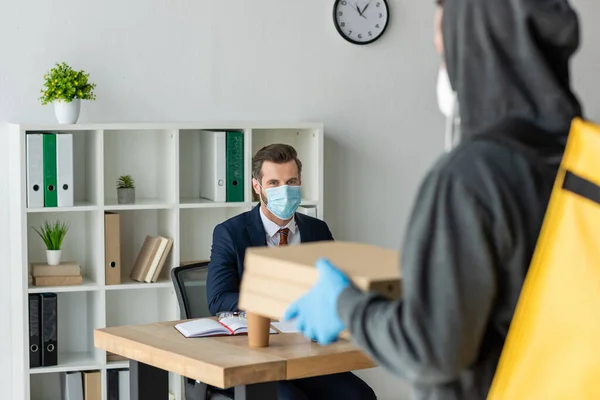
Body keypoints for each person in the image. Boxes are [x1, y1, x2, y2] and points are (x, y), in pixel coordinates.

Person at [284, 0, 583, 399]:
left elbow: (430, 349)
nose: (446, 71)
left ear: (477, 51)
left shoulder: (472, 177)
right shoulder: (585, 163)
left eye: (446, 52)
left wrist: (346, 305)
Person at [206, 143, 377, 400]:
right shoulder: (230, 232)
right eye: (273, 182)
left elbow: (334, 289)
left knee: (360, 396)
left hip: (307, 351)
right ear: (257, 187)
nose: (284, 190)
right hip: (252, 355)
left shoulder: (317, 230)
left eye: (291, 181)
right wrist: (278, 300)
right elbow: (218, 299)